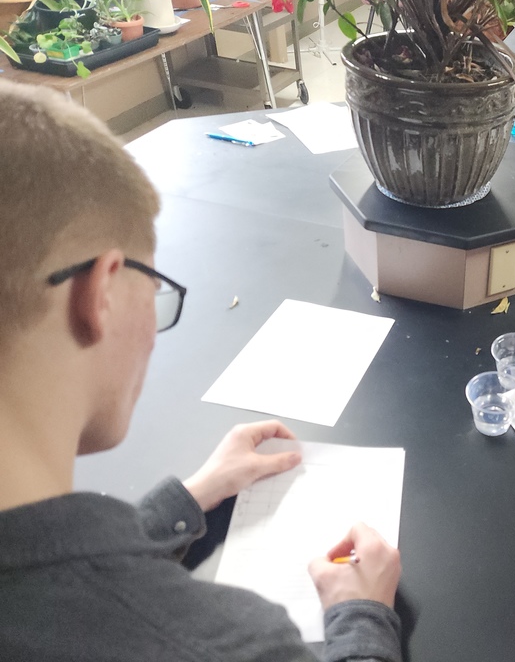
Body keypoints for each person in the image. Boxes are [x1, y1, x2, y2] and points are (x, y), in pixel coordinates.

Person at [0, 80, 402, 662]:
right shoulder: (226, 642)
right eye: (155, 284)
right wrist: (361, 615)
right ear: (101, 293)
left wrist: (182, 504)